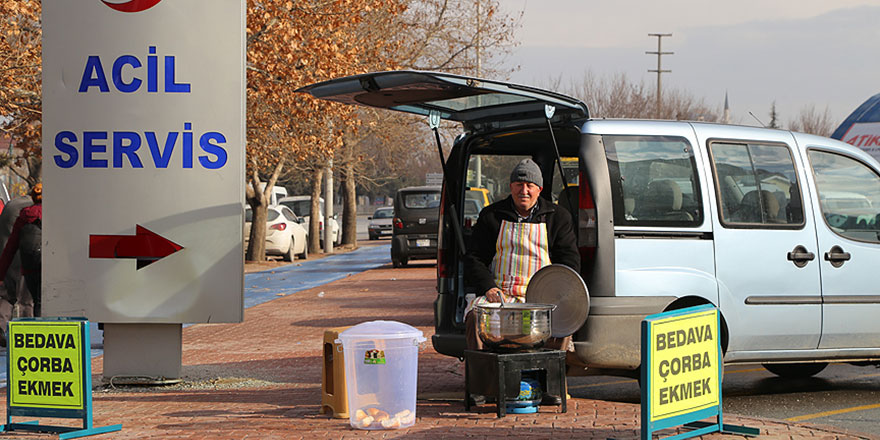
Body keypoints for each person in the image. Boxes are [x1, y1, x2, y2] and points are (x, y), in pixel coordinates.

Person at [463, 159, 580, 404]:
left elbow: (569, 262)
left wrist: (555, 292)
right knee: (475, 317)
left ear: (539, 188)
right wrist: (489, 288)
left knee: (565, 318)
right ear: (510, 186)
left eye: (529, 185)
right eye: (518, 184)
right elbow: (474, 259)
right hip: (501, 295)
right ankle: (482, 388)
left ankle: (552, 387)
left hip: (541, 296)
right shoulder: (491, 216)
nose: (523, 191)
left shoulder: (558, 217)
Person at [0, 183, 43, 331]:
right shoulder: (49, 210)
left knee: (7, 293)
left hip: (15, 253)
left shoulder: (14, 206)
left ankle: (1, 327)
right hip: (38, 259)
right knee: (29, 298)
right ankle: (32, 330)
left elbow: (10, 244)